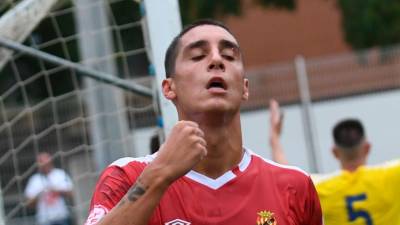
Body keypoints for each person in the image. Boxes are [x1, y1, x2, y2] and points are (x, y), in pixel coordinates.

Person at [84, 19, 322, 225]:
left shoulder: (294, 186)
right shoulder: (125, 176)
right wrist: (160, 174)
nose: (217, 60)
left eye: (229, 56)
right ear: (169, 88)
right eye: (198, 56)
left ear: (245, 88)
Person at [268, 99, 400, 225]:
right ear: (367, 148)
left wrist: (274, 137)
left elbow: (286, 175)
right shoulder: (392, 176)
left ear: (335, 153)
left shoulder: (322, 188)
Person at [24, 152, 74, 225]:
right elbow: (28, 203)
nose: (45, 166)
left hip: (61, 216)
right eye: (42, 164)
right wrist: (40, 194)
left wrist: (57, 190)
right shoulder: (35, 180)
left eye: (47, 163)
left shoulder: (60, 174)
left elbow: (72, 193)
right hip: (44, 219)